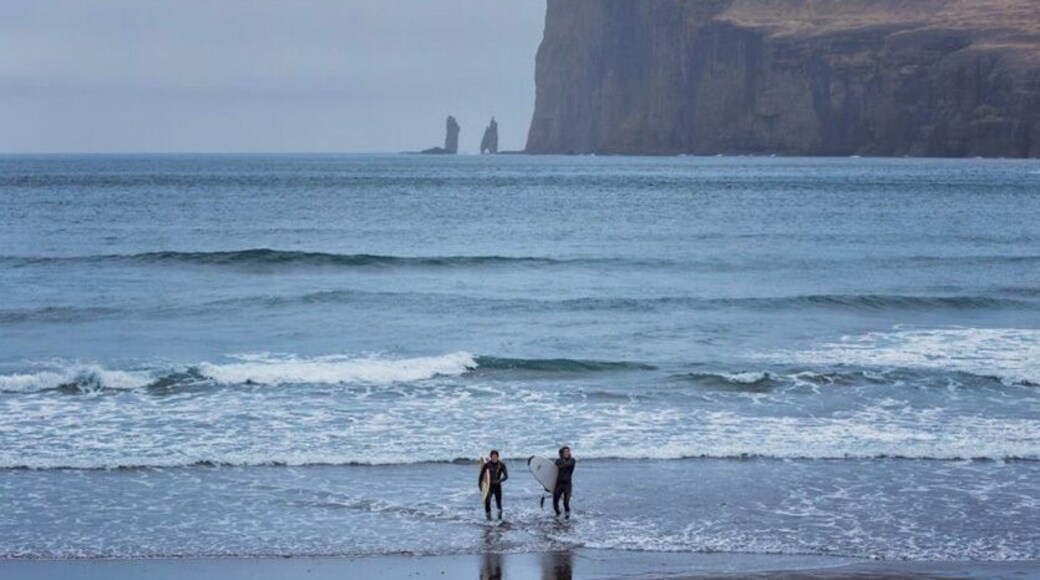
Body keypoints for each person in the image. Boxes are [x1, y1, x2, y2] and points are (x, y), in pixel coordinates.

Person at [479, 450, 508, 520]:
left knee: (499, 504)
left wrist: (499, 480)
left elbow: (506, 476)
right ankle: (488, 519)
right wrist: (480, 486)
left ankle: (499, 519)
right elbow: (481, 477)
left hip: (497, 486)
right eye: (493, 457)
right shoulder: (487, 465)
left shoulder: (501, 465)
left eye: (495, 457)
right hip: (489, 487)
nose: (494, 458)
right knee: (487, 503)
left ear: (498, 457)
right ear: (490, 457)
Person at [553, 446, 575, 518]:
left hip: (567, 485)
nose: (568, 453)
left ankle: (567, 518)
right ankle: (558, 514)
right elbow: (552, 472)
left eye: (568, 451)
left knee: (566, 503)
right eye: (566, 452)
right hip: (559, 484)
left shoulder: (572, 460)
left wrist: (561, 463)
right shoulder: (558, 461)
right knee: (555, 504)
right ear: (562, 453)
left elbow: (567, 465)